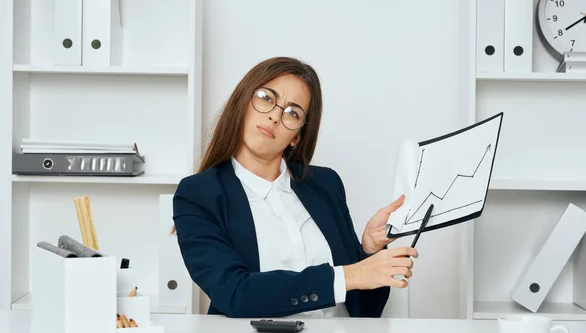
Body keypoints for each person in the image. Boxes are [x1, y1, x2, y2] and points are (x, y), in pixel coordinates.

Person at [172, 56, 417, 318]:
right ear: (243, 103)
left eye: (293, 113)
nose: (275, 116)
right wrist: (346, 275)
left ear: (296, 137)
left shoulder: (325, 184)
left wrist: (369, 251)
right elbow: (234, 293)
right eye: (267, 98)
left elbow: (365, 310)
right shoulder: (198, 194)